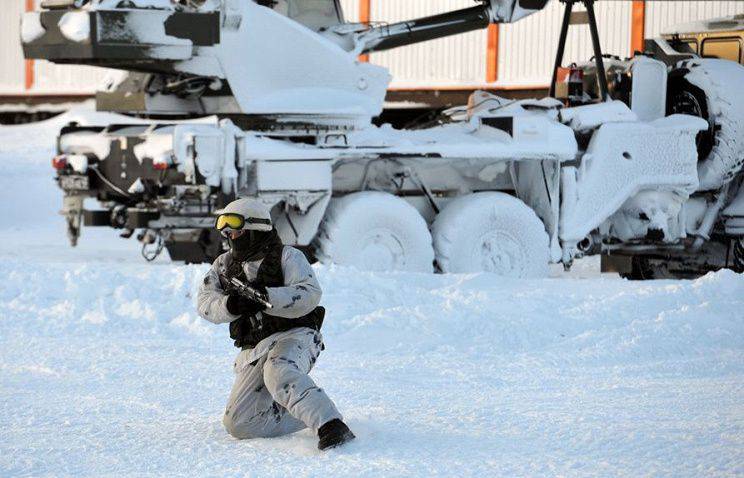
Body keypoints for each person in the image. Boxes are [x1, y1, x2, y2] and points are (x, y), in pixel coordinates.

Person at [196, 198, 355, 450]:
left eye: (237, 231)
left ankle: (331, 425)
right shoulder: (224, 265)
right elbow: (205, 302)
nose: (231, 237)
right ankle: (307, 409)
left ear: (255, 229)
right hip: (256, 347)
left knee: (278, 371)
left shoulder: (288, 257)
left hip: (296, 335)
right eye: (228, 233)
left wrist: (268, 297)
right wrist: (231, 305)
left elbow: (310, 293)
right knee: (239, 423)